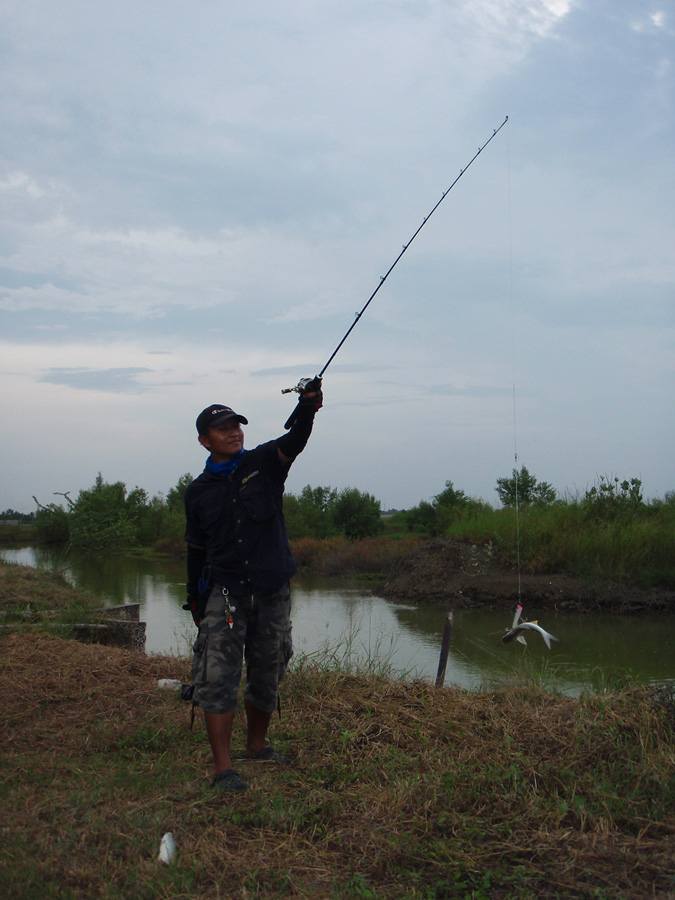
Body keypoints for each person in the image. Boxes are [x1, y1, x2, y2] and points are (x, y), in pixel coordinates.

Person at [183, 380, 322, 793]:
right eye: (223, 428)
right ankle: (224, 768)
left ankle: (257, 746)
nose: (234, 431)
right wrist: (193, 596)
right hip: (225, 592)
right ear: (204, 440)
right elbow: (195, 547)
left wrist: (308, 407)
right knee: (218, 674)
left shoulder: (264, 462)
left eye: (237, 425)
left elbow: (295, 440)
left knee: (268, 669)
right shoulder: (197, 493)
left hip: (272, 588)